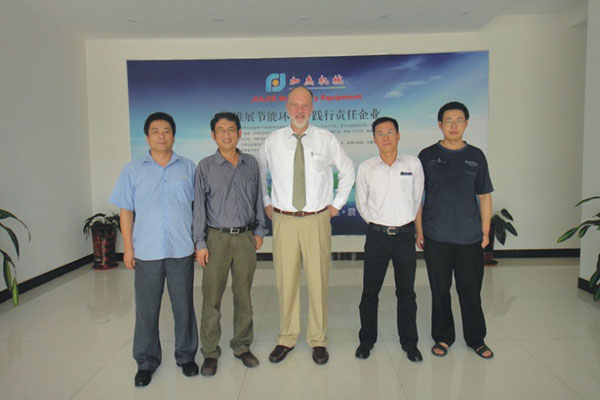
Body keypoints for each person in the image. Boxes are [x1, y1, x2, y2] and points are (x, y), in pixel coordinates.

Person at [257, 86, 355, 365]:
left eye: (305, 105)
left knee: (318, 280)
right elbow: (259, 172)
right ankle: (287, 337)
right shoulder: (273, 140)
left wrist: (336, 205)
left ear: (312, 108)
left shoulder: (325, 139)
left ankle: (318, 339)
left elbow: (348, 170)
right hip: (284, 220)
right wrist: (266, 202)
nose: (300, 110)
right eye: (295, 105)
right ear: (287, 107)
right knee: (285, 280)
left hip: (316, 220)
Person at [110, 112, 198, 387]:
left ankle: (186, 356)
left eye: (167, 130)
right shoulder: (132, 170)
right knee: (147, 309)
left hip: (181, 248)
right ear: (147, 137)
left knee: (184, 305)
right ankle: (146, 362)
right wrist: (128, 248)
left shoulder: (188, 168)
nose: (162, 135)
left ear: (174, 136)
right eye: (156, 131)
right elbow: (126, 211)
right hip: (147, 250)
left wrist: (199, 242)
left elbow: (198, 209)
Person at [416, 101, 494, 359]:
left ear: (466, 124)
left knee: (470, 291)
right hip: (436, 235)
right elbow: (417, 197)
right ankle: (443, 337)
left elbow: (484, 195)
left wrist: (485, 232)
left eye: (458, 120)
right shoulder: (426, 156)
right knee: (440, 291)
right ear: (440, 124)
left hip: (469, 237)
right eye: (448, 120)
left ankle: (476, 339)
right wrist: (419, 230)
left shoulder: (476, 156)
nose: (453, 125)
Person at [193, 112, 267, 376]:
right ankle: (210, 352)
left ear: (240, 133)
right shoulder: (205, 167)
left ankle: (242, 345)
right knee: (212, 297)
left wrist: (259, 229)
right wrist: (200, 242)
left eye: (231, 129)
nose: (226, 135)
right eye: (221, 130)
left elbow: (258, 198)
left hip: (246, 238)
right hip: (217, 239)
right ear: (213, 135)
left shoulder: (250, 163)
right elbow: (199, 207)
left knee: (243, 295)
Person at [355, 117, 424, 362]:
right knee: (370, 292)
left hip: (405, 236)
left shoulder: (413, 164)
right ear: (374, 139)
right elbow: (362, 204)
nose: (385, 137)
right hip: (377, 237)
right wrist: (378, 223)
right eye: (380, 133)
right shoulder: (366, 168)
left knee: (406, 293)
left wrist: (414, 229)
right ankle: (366, 341)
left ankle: (410, 343)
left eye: (390, 132)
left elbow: (417, 199)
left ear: (398, 135)